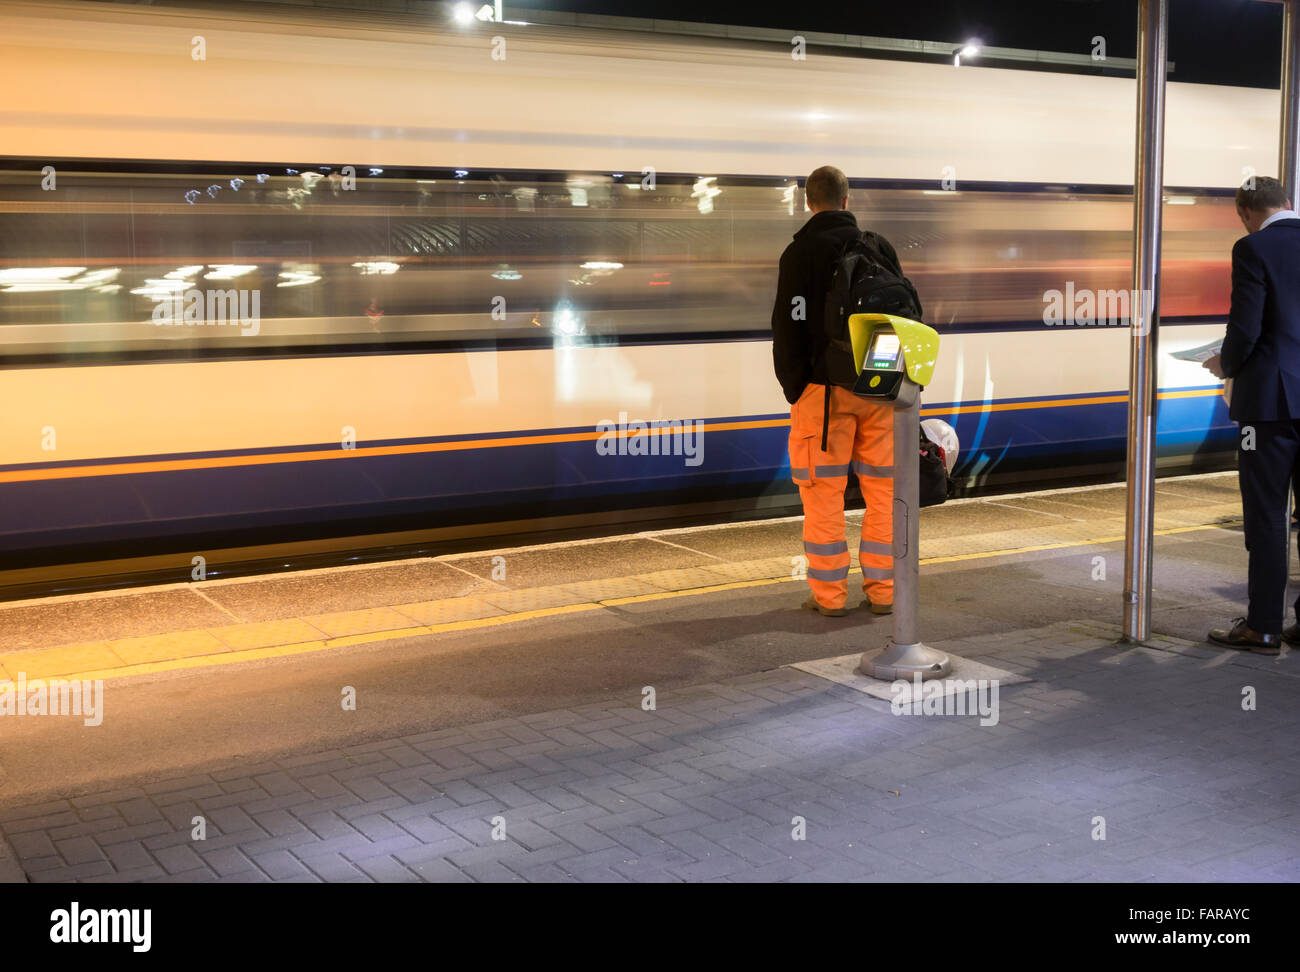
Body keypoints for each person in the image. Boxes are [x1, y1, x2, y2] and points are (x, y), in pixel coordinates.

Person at [771, 165, 907, 617]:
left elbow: (787, 328)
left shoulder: (800, 253)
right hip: (878, 387)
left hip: (822, 396)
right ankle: (885, 592)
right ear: (848, 201)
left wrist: (796, 387)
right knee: (883, 492)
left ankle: (829, 597)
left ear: (809, 202)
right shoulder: (878, 246)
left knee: (824, 495)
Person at [1204, 176, 1300, 654]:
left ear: (1244, 212)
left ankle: (1263, 626)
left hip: (1270, 408)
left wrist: (1226, 363)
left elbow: (1245, 327)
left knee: (1266, 518)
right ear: (1286, 202)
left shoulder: (1252, 249)